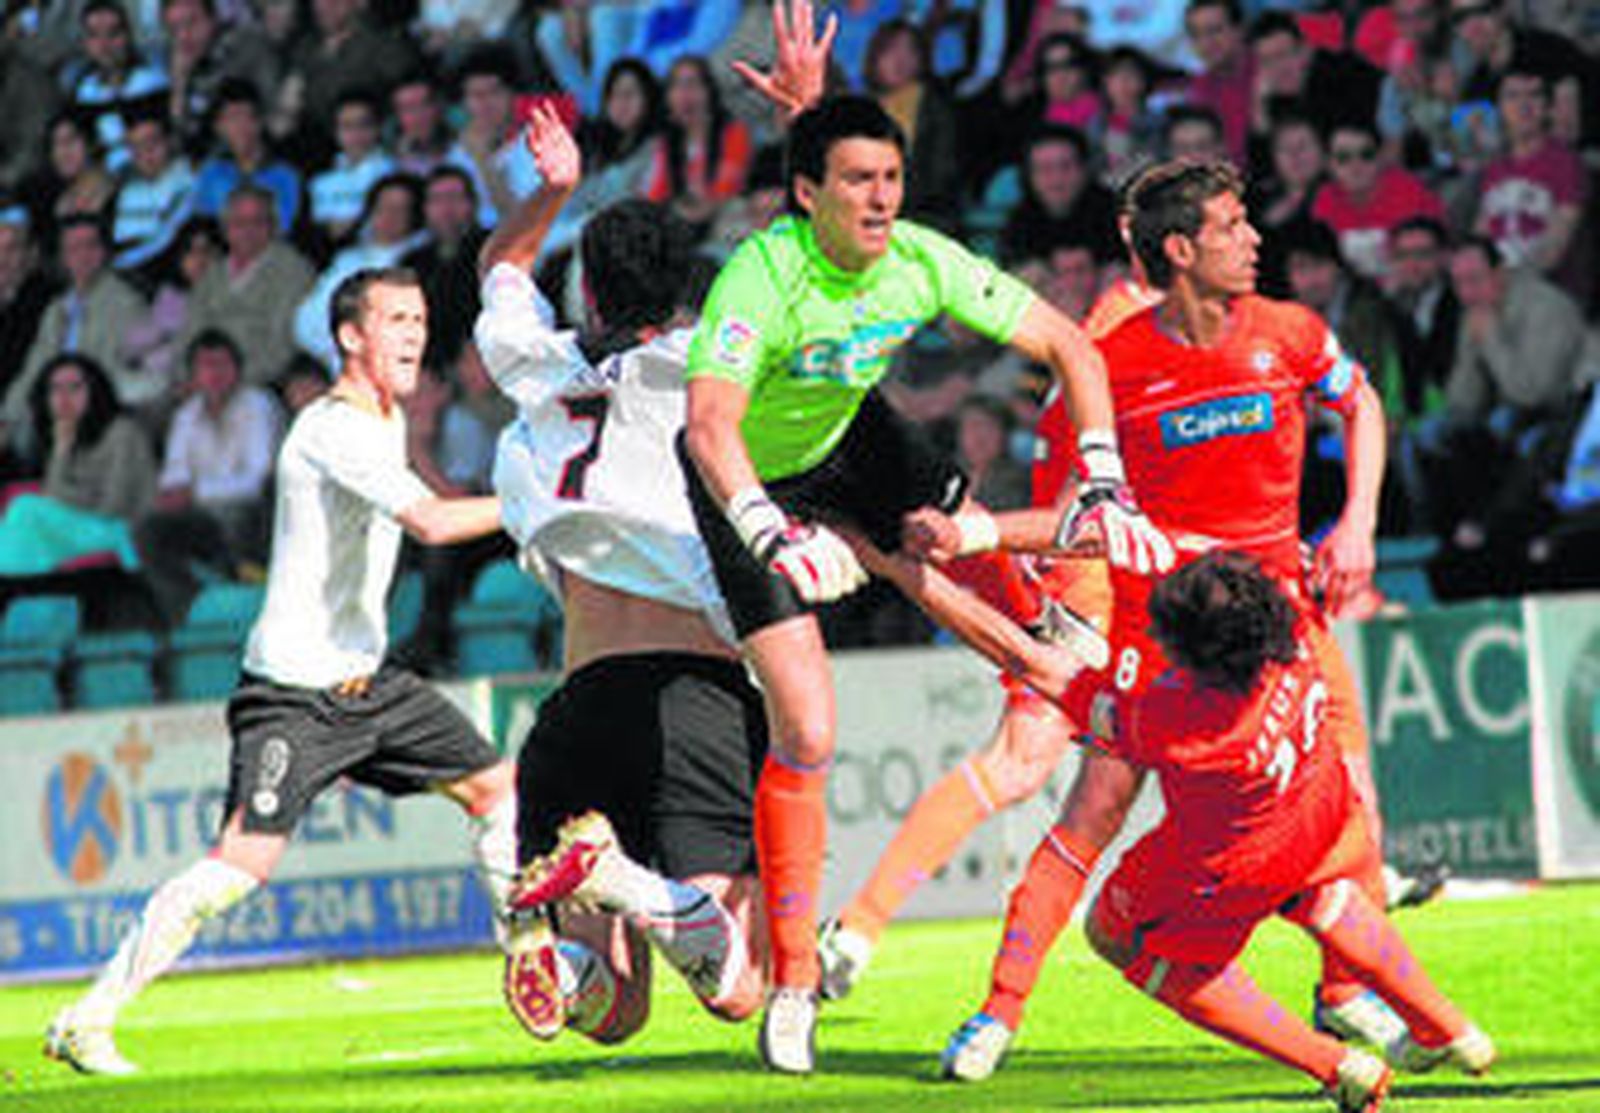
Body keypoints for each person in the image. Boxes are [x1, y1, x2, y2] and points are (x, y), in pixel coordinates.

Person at [679, 2, 1170, 1074]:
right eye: (856, 183)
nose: (880, 201)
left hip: (853, 436)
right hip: (747, 480)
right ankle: (798, 981)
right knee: (806, 731)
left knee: (944, 538)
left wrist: (1102, 484)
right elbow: (707, 426)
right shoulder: (757, 275)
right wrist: (766, 531)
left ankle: (1042, 649)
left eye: (890, 182)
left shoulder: (921, 258)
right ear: (804, 193)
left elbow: (1065, 347)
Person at [924, 158, 1400, 1081]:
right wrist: (978, 529)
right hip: (1165, 629)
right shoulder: (1112, 365)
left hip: (1284, 624)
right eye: (1232, 225)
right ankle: (997, 1014)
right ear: (1180, 251)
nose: (1254, 237)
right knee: (1094, 809)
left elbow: (1363, 403)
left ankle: (1342, 991)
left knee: (1355, 805)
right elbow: (1087, 510)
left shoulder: (1290, 332)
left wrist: (1360, 522)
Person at [44, 266, 517, 1077]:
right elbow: (435, 522)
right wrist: (536, 506)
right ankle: (87, 1018)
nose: (413, 332)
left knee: (498, 790)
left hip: (371, 681)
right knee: (240, 866)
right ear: (349, 336)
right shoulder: (331, 427)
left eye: (420, 318)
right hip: (294, 691)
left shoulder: (389, 414)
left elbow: (425, 496)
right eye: (395, 318)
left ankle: (529, 961)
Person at [871, 543, 1494, 1112]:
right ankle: (1451, 1029)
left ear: (1197, 657)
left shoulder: (1185, 726)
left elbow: (1026, 661)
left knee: (1116, 936)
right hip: (1317, 808)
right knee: (1321, 894)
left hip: (1235, 863)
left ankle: (1334, 1065)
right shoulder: (1290, 627)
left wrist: (907, 573)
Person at [474, 103, 767, 1049]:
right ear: (688, 288)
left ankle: (560, 955)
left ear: (588, 293)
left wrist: (553, 187)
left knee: (615, 1017)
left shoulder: (537, 370)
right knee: (741, 990)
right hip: (694, 698)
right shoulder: (707, 377)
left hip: (577, 705)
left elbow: (500, 269)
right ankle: (635, 884)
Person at [133, 327, 281, 624]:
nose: (214, 374)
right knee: (149, 529)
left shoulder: (258, 404)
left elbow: (258, 478)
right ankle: (186, 610)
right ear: (193, 376)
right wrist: (178, 496)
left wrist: (195, 492)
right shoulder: (185, 415)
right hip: (206, 519)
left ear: (238, 370)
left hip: (253, 515)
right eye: (205, 366)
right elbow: (173, 478)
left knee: (263, 497)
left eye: (222, 365)